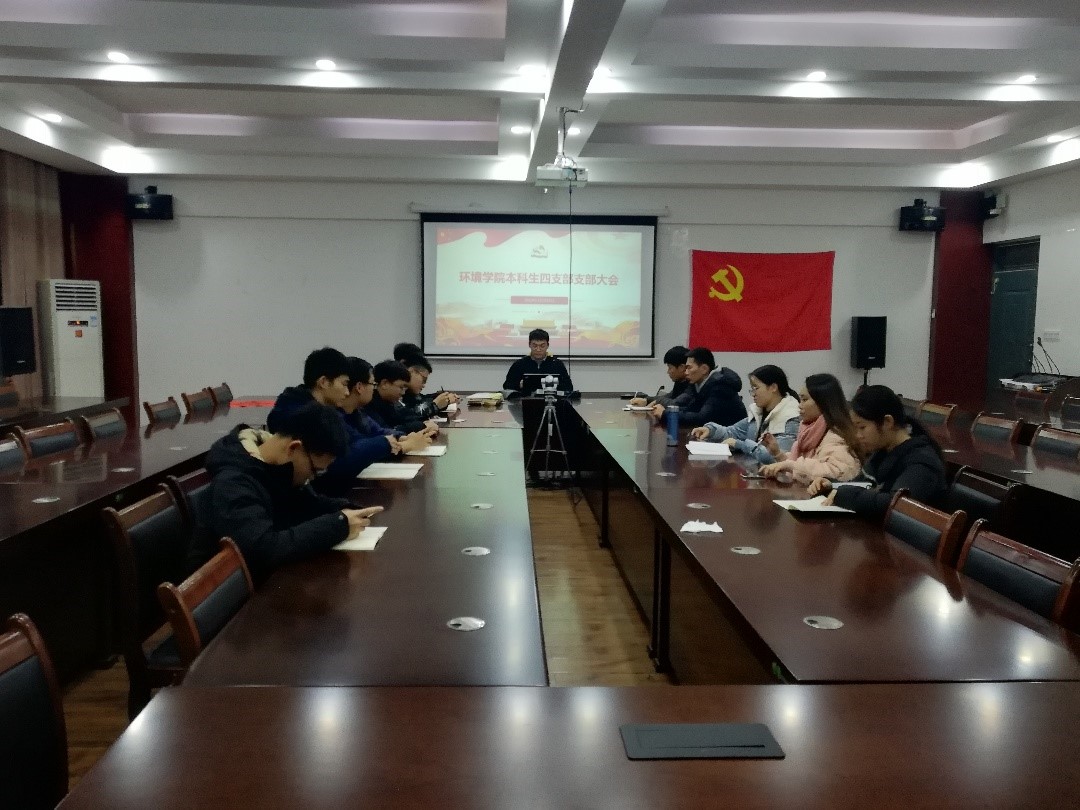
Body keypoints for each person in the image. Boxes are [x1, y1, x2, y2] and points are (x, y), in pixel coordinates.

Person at [192, 403, 383, 582]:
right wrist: (337, 526)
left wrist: (346, 509)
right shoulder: (233, 482)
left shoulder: (274, 467)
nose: (312, 478)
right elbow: (263, 550)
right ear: (294, 448)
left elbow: (306, 503)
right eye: (315, 470)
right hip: (229, 595)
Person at [811, 385, 947, 521]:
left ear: (887, 422)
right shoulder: (883, 451)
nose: (858, 435)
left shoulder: (922, 462)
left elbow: (895, 506)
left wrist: (845, 494)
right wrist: (832, 486)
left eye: (862, 427)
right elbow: (863, 484)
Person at [313, 356, 433, 496]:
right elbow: (348, 455)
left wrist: (401, 438)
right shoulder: (326, 415)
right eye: (373, 384)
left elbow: (377, 432)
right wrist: (399, 445)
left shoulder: (357, 412)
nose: (346, 392)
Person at [759, 373, 861, 485]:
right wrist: (778, 454)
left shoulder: (836, 435)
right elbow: (799, 467)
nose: (800, 405)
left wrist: (790, 465)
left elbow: (838, 472)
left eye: (804, 399)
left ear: (822, 402)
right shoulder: (810, 431)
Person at [689, 365, 801, 464]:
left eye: (756, 388)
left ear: (773, 388)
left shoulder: (790, 419)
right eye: (752, 389)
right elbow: (732, 433)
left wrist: (740, 445)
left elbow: (776, 457)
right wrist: (711, 430)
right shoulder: (758, 413)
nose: (753, 394)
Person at [651, 347, 745, 428]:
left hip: (732, 440)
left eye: (689, 368)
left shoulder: (720, 387)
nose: (686, 372)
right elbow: (691, 409)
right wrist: (667, 412)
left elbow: (702, 419)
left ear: (704, 369)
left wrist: (666, 414)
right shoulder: (698, 384)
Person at [266, 346, 350, 434]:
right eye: (344, 384)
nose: (347, 392)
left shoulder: (329, 415)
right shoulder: (301, 421)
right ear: (323, 382)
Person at [365, 359, 439, 434]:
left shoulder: (390, 402)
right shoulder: (369, 403)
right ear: (385, 383)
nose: (403, 393)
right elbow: (386, 431)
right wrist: (422, 426)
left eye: (404, 388)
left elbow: (407, 417)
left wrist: (424, 424)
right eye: (401, 387)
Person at [502, 328, 573, 397]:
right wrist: (519, 385)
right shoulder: (519, 364)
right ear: (529, 345)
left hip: (552, 401)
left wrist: (556, 385)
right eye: (535, 346)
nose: (538, 349)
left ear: (547, 345)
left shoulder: (557, 364)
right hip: (525, 402)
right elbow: (507, 387)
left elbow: (569, 388)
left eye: (542, 346)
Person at [400, 354, 459, 419]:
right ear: (411, 371)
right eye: (424, 380)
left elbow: (421, 400)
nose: (424, 385)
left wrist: (441, 397)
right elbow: (406, 416)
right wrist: (435, 405)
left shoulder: (409, 392)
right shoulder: (397, 391)